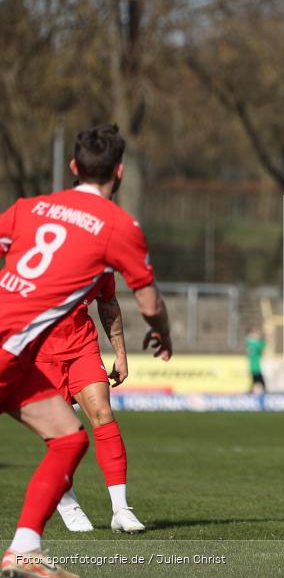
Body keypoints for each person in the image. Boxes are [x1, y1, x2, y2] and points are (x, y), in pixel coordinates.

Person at [0, 124, 172, 577]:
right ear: (119, 171)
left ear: (74, 166)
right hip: (12, 351)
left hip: (16, 357)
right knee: (69, 437)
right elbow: (149, 304)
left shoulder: (28, 208)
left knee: (69, 437)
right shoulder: (118, 226)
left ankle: (25, 550)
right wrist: (164, 334)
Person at [37, 271, 146, 534]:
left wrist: (120, 353)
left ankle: (121, 509)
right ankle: (65, 498)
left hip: (82, 348)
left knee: (103, 413)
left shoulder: (102, 266)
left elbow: (108, 303)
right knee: (62, 433)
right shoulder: (41, 257)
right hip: (39, 353)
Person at [246, 328, 266, 394]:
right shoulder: (255, 344)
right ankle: (254, 390)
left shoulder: (250, 343)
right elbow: (263, 344)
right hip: (256, 366)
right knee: (260, 380)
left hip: (253, 366)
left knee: (255, 380)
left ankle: (251, 390)